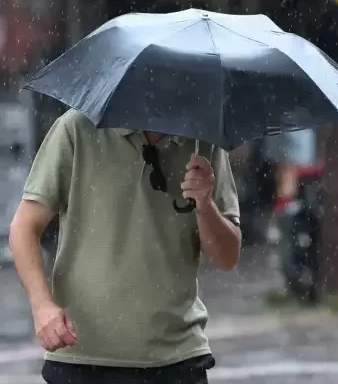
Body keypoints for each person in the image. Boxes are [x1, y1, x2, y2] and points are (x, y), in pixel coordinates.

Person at [9, 109, 241, 384]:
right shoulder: (77, 128)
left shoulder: (204, 142)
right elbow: (24, 228)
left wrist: (205, 206)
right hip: (83, 356)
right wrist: (41, 305)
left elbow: (227, 257)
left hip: (177, 360)